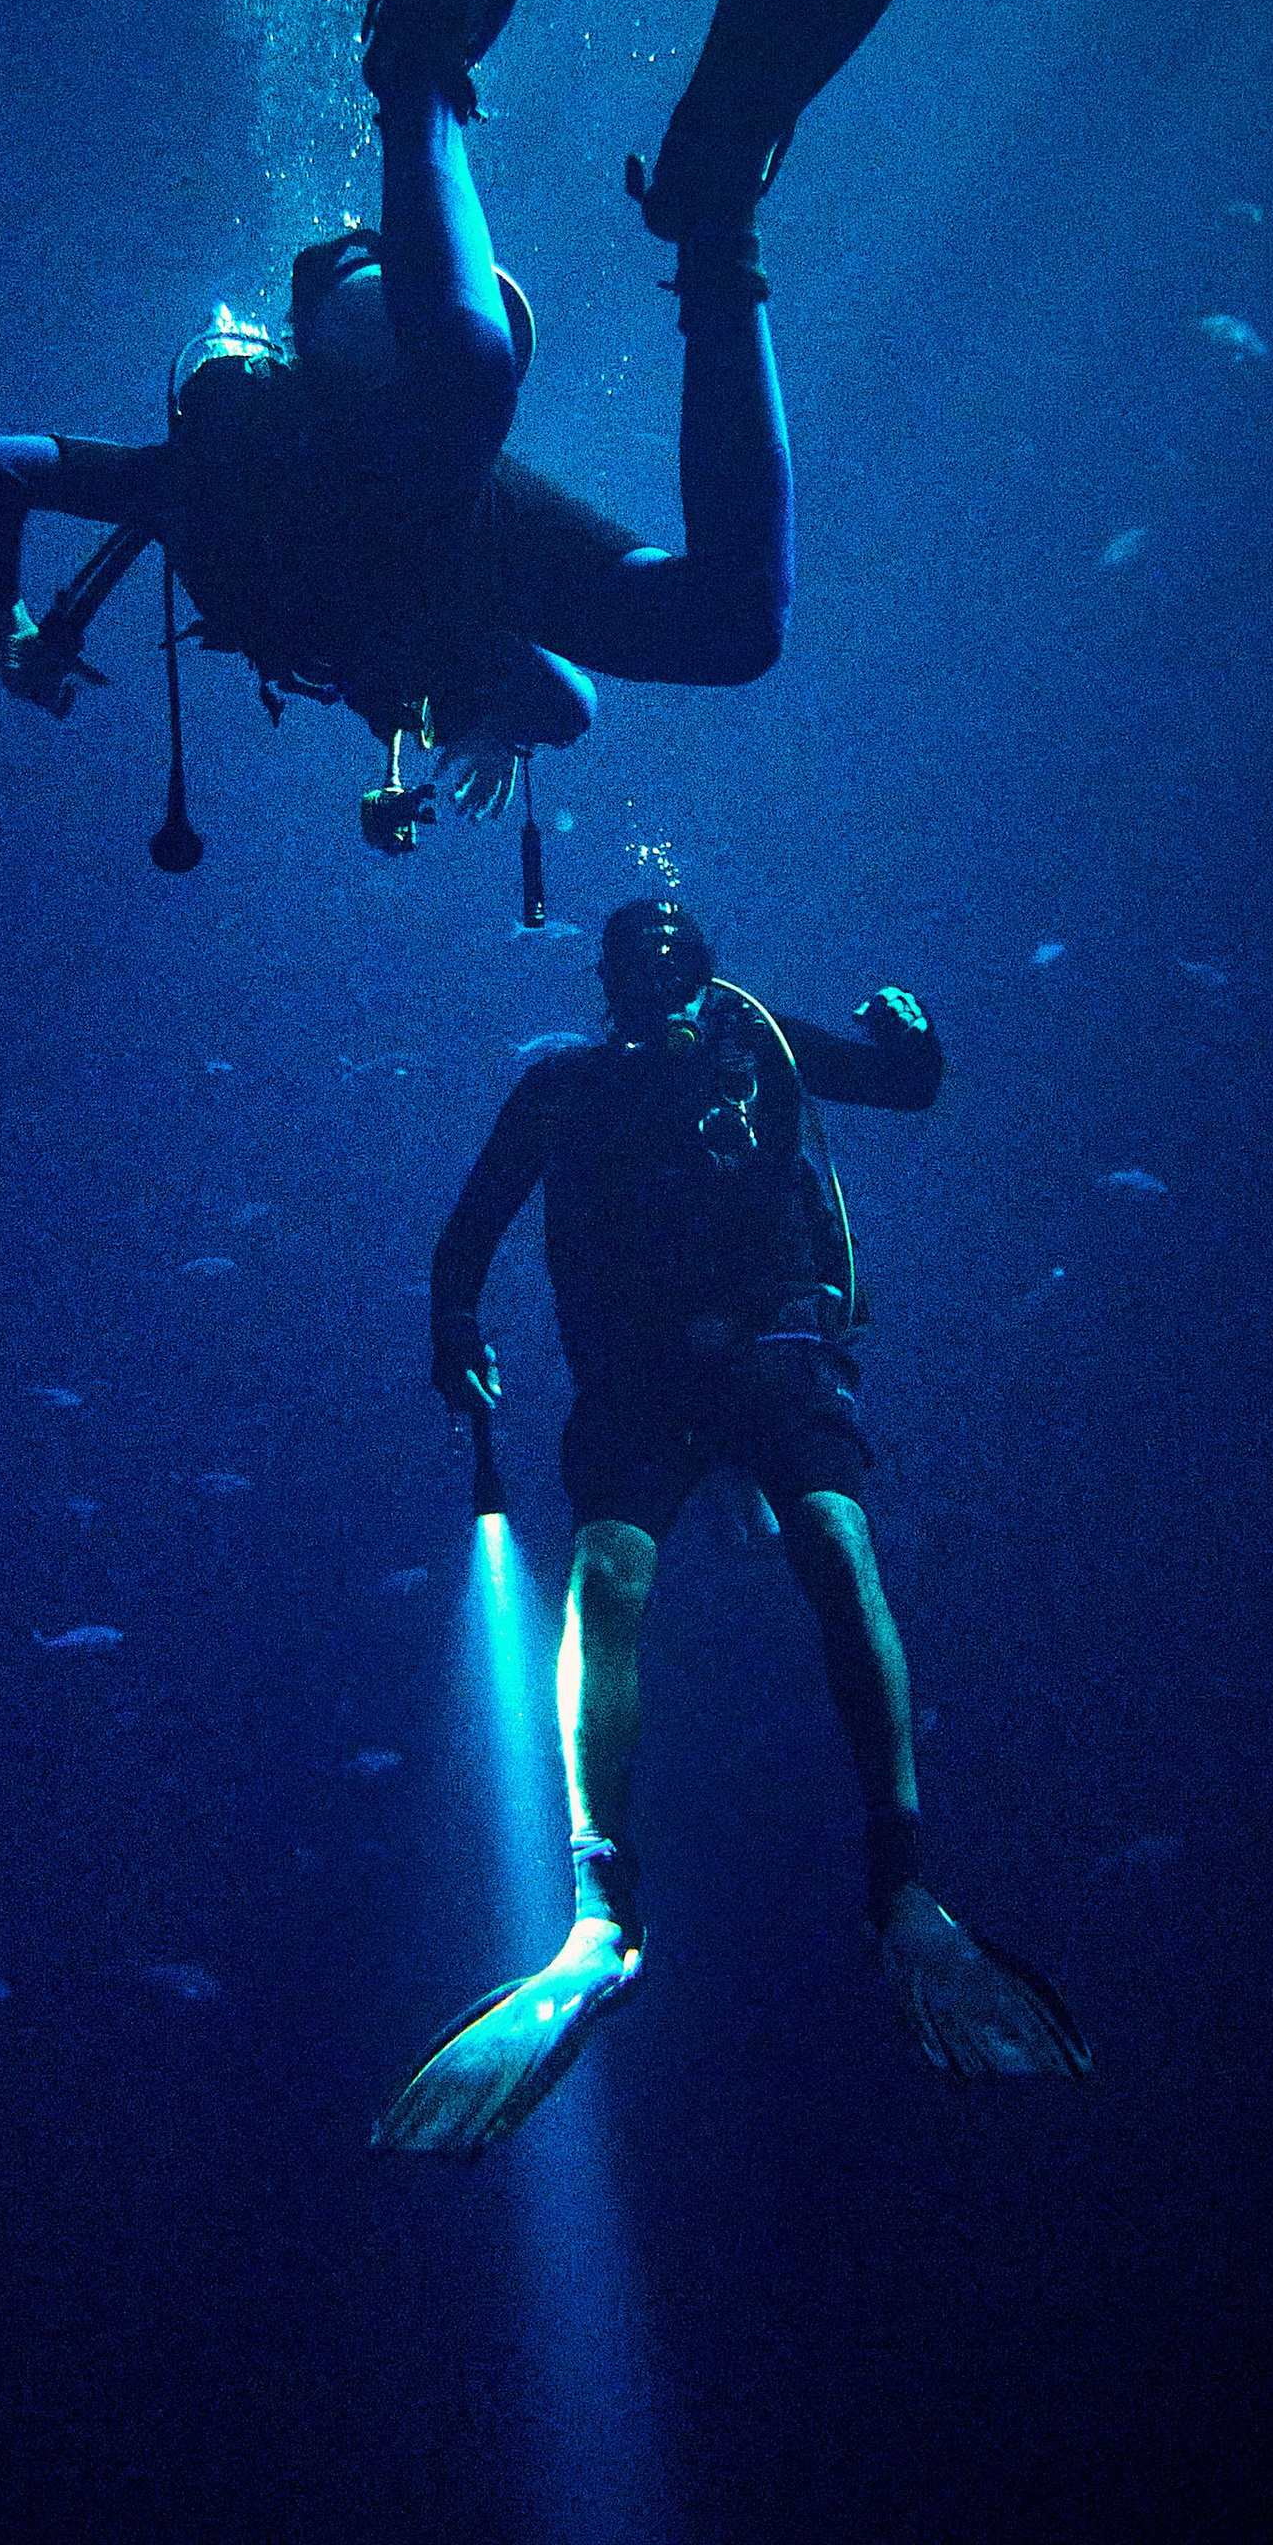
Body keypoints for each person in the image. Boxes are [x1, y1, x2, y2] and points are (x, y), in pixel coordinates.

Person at [0, 0, 989, 866]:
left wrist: (9, 629)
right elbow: (572, 699)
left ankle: (421, 48)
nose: (391, 712)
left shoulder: (186, 494)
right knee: (731, 627)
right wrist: (492, 721)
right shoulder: (424, 649)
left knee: (463, 378)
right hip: (446, 460)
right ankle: (716, 212)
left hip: (364, 347)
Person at [372, 894, 1089, 2155]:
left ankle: (895, 1877)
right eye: (644, 983)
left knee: (831, 1547)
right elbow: (466, 1233)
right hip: (643, 1378)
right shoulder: (562, 1088)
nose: (667, 999)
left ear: (703, 976)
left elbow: (892, 1085)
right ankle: (606, 1901)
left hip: (769, 1352)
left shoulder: (754, 1038)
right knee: (614, 1578)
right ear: (611, 992)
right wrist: (452, 1329)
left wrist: (911, 1044)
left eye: (681, 975)